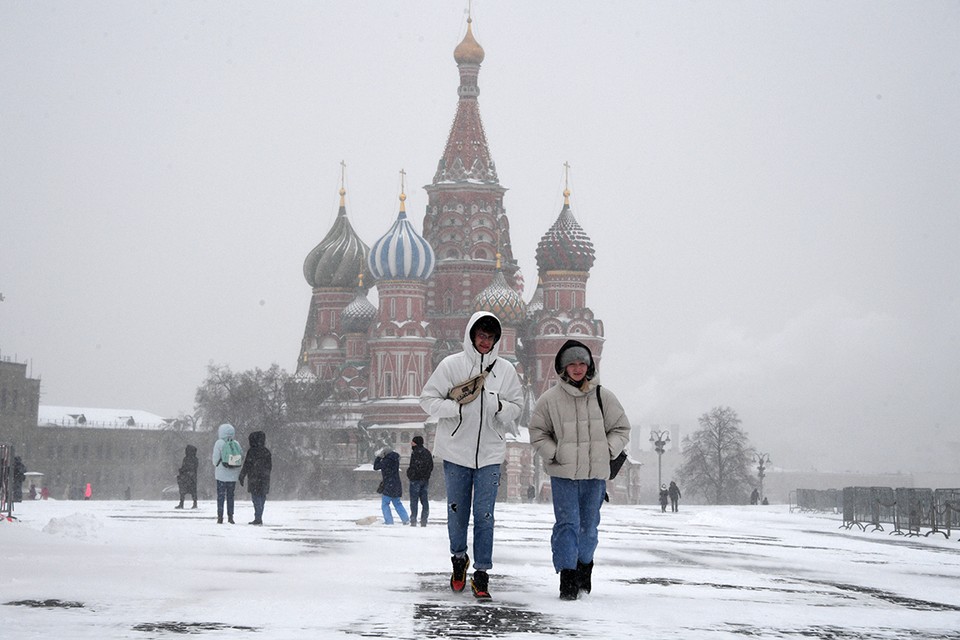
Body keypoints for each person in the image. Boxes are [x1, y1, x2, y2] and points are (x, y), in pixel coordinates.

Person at [420, 311, 523, 600]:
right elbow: (427, 400)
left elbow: (518, 404)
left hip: (490, 453)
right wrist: (456, 408)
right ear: (471, 335)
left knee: (484, 515)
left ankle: (481, 573)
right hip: (455, 452)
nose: (485, 341)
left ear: (496, 340)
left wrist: (502, 409)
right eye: (481, 335)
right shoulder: (451, 366)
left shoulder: (505, 370)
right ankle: (458, 559)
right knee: (457, 513)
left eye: (490, 337)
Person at [529, 339, 630, 601]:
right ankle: (567, 576)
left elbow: (621, 429)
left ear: (589, 365)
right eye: (571, 364)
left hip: (594, 476)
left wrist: (607, 450)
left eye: (582, 363)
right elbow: (538, 432)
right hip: (564, 475)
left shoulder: (603, 396)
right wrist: (555, 453)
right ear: (563, 367)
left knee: (589, 527)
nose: (577, 368)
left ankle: (585, 565)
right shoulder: (549, 399)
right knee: (567, 525)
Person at [238, 431, 272, 525]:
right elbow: (269, 466)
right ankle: (259, 516)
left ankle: (258, 517)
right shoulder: (266, 452)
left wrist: (242, 475)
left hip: (254, 478)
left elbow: (247, 465)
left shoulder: (252, 451)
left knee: (256, 498)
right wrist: (265, 474)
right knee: (262, 497)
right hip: (264, 478)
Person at [212, 423, 243, 524]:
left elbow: (215, 460)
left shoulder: (219, 443)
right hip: (233, 475)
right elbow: (240, 456)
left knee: (220, 496)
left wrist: (218, 464)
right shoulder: (236, 443)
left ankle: (220, 517)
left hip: (221, 475)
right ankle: (231, 516)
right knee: (231, 496)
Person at [374, 447, 409, 525]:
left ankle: (389, 521)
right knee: (397, 503)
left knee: (385, 504)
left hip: (389, 484)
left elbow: (376, 467)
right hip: (396, 483)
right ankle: (405, 519)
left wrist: (378, 457)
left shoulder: (386, 461)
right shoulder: (395, 459)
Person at [406, 435, 434, 527]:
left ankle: (413, 519)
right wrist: (426, 475)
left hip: (415, 480)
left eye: (413, 442)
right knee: (424, 501)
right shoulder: (427, 452)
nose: (411, 443)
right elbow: (430, 466)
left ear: (416, 443)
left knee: (414, 501)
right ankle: (424, 520)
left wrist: (410, 474)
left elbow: (413, 466)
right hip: (425, 480)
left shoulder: (415, 453)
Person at [175, 445, 199, 509]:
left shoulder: (189, 459)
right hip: (190, 478)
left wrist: (183, 470)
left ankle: (188, 503)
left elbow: (189, 467)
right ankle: (189, 503)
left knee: (185, 491)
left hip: (188, 478)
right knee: (189, 491)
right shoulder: (192, 459)